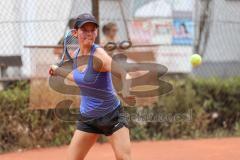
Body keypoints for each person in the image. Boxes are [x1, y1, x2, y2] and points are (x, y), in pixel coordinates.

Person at [50, 13, 135, 160]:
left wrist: (126, 84)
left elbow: (121, 72)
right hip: (87, 118)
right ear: (75, 33)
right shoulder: (76, 54)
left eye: (92, 30)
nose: (89, 34)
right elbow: (80, 79)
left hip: (111, 115)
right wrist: (58, 71)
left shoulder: (99, 55)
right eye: (85, 30)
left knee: (124, 158)